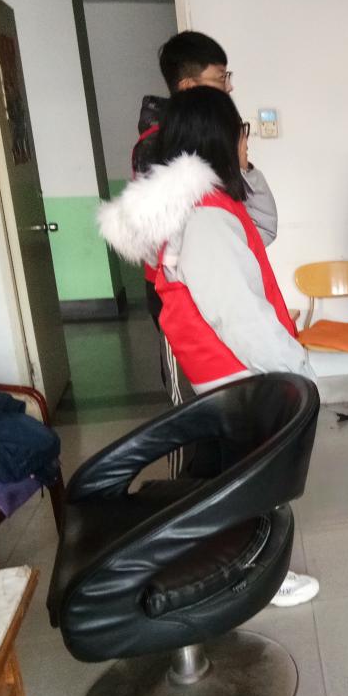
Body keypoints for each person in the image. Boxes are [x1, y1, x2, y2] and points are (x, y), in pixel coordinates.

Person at [99, 87, 319, 608]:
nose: (246, 142)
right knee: (248, 481)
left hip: (216, 368)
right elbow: (237, 313)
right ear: (219, 137)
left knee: (226, 474)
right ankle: (252, 572)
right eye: (241, 132)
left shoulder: (190, 205)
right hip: (238, 369)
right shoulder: (206, 217)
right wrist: (297, 370)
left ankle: (234, 565)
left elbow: (262, 229)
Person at [132, 31, 278, 329]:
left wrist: (243, 166)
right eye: (221, 77)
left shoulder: (208, 140)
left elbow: (256, 225)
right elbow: (178, 242)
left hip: (220, 278)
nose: (229, 86)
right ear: (189, 86)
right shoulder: (158, 147)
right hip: (184, 288)